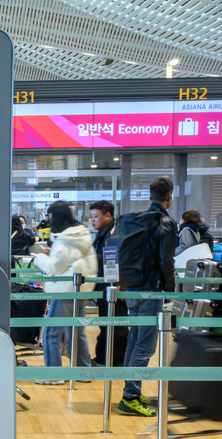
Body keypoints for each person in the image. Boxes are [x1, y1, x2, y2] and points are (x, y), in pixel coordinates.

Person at [116, 178, 178, 417]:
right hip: (152, 290)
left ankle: (132, 389)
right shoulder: (166, 223)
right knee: (145, 346)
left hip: (132, 288)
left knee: (134, 342)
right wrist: (171, 289)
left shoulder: (136, 221)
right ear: (169, 197)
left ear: (150, 196)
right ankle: (130, 397)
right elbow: (166, 261)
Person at [32, 201, 98, 384]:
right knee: (76, 332)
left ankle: (54, 375)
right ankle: (84, 372)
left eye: (50, 216)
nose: (48, 219)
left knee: (51, 333)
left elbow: (54, 267)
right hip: (81, 291)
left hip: (65, 291)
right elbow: (67, 260)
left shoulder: (64, 240)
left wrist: (40, 258)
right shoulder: (79, 235)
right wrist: (52, 253)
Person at [89, 200, 128, 365]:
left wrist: (120, 283)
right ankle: (104, 358)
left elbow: (114, 259)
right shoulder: (103, 233)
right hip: (105, 286)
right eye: (91, 217)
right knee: (106, 323)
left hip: (114, 286)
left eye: (96, 216)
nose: (92, 220)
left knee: (116, 325)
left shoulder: (114, 233)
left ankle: (116, 361)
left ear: (108, 215)